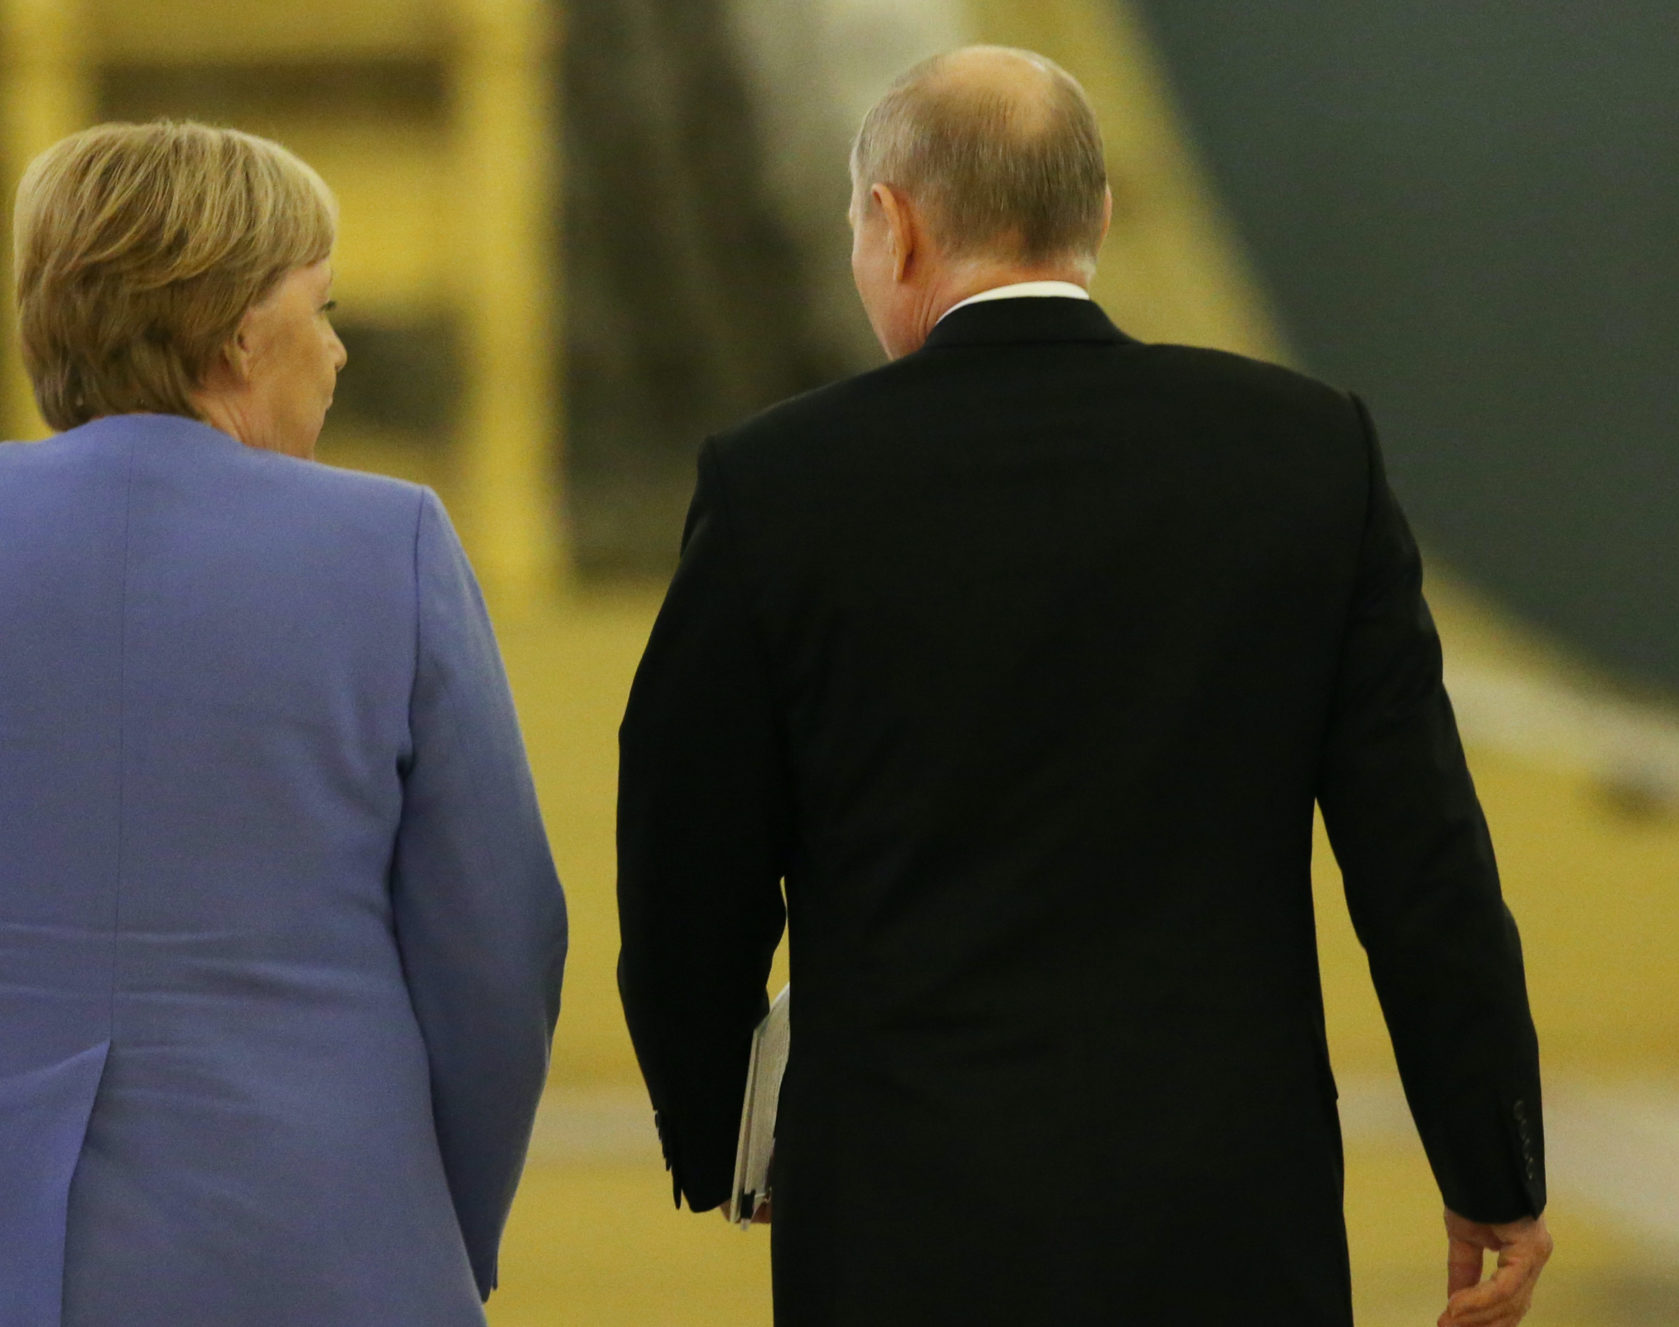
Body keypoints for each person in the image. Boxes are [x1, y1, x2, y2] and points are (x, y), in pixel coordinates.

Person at [616, 46, 1549, 1327]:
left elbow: (685, 854)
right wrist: (1489, 1160)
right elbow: (1422, 858)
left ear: (892, 225)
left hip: (902, 1216)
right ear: (1097, 219)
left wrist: (719, 1121)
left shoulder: (778, 487)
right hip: (1225, 1216)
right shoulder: (1302, 457)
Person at [0, 121, 567, 1327]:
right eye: (321, 307)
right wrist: (437, 1227)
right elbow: (501, 945)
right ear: (236, 331)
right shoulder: (393, 549)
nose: (335, 352)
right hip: (320, 1248)